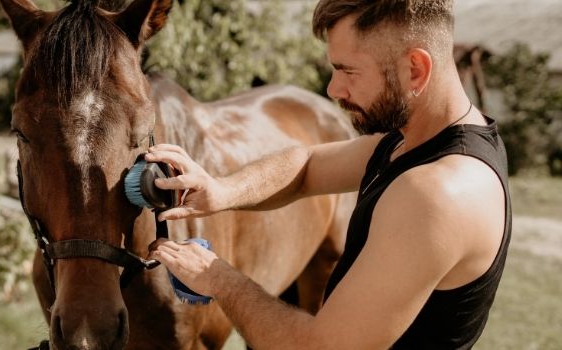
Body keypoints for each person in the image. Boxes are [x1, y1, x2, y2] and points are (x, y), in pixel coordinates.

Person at [147, 1, 511, 349]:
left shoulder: (437, 193)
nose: (333, 90)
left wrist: (218, 278)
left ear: (415, 69)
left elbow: (316, 346)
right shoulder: (415, 139)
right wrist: (222, 190)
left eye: (348, 70)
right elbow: (307, 167)